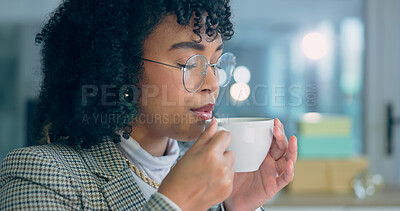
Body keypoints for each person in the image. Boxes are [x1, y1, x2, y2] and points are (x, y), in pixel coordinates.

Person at [0, 0, 298, 210]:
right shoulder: (40, 175)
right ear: (121, 69)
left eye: (216, 62)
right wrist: (175, 204)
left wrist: (238, 206)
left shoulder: (211, 178)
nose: (213, 82)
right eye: (188, 63)